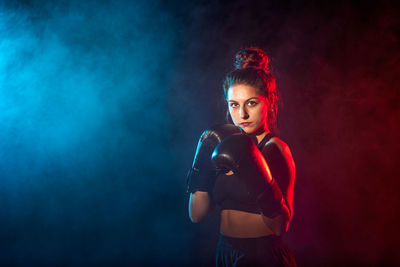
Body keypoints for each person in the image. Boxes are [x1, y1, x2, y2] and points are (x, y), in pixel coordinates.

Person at [187, 47, 297, 266]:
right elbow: (196, 215)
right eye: (234, 105)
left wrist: (254, 171)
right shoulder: (219, 144)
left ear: (269, 100)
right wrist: (202, 162)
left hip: (263, 256)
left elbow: (279, 226)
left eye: (252, 103)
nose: (242, 114)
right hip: (225, 251)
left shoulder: (275, 148)